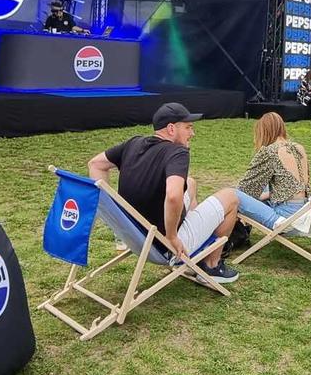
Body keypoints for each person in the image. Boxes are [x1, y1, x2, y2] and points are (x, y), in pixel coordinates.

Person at [88, 103, 239, 282]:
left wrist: (114, 210)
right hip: (163, 245)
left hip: (134, 236)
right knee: (231, 197)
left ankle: (196, 245)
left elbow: (95, 164)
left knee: (190, 183)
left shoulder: (133, 143)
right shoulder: (177, 152)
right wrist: (172, 237)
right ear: (171, 129)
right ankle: (211, 266)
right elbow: (173, 195)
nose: (193, 133)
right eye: (188, 127)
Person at [235, 113, 310, 231]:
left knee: (231, 194)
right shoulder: (299, 148)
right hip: (304, 210)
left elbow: (245, 189)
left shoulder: (270, 151)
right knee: (264, 187)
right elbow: (296, 185)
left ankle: (235, 230)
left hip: (285, 217)